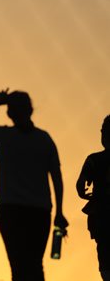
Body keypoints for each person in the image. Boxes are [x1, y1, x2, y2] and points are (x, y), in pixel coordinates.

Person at [0, 89, 68, 281]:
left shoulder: (3, 136)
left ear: (9, 113)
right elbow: (56, 177)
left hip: (10, 209)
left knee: (18, 265)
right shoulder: (44, 139)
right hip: (38, 211)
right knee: (34, 265)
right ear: (31, 110)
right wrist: (59, 211)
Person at [77, 115, 110, 280]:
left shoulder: (94, 160)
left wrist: (83, 192)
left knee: (104, 254)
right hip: (102, 216)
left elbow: (80, 185)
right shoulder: (93, 160)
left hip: (102, 215)